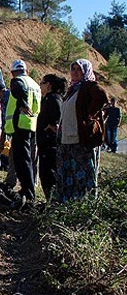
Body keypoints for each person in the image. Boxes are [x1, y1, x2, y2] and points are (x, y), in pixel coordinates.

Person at [56, 59, 108, 203]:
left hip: (80, 141)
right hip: (66, 140)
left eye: (79, 69)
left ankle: (85, 208)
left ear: (85, 71)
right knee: (67, 177)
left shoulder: (88, 87)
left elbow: (102, 96)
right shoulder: (72, 89)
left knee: (84, 178)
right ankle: (68, 207)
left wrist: (90, 116)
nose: (75, 72)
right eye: (73, 69)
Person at [5, 60, 41, 204]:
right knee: (27, 160)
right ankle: (28, 190)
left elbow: (19, 90)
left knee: (22, 161)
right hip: (31, 125)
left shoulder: (18, 81)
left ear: (13, 72)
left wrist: (23, 104)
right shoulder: (35, 84)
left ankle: (28, 192)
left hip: (20, 125)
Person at [36, 74, 67, 201]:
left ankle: (53, 204)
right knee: (45, 174)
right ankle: (50, 202)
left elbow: (58, 120)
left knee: (49, 175)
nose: (40, 85)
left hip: (50, 144)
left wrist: (51, 126)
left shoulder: (54, 99)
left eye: (42, 83)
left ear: (48, 85)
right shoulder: (48, 98)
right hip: (45, 144)